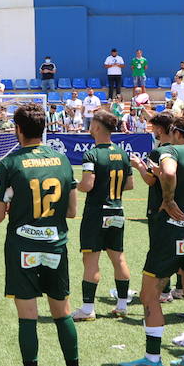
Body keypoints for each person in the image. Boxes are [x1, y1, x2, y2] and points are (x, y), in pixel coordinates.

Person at [0, 102, 81, 366]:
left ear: (17, 129)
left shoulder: (10, 163)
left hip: (22, 246)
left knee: (28, 317)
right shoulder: (62, 159)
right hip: (55, 244)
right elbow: (71, 210)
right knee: (62, 313)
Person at [120, 115, 184, 366]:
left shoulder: (169, 150)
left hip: (171, 235)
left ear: (175, 132)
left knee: (149, 295)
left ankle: (153, 358)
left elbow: (167, 172)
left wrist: (168, 198)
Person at [70, 111, 134, 321]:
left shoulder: (92, 154)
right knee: (118, 259)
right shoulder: (123, 154)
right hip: (117, 211)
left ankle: (88, 309)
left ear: (97, 128)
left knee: (91, 260)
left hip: (97, 213)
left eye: (92, 124)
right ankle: (122, 305)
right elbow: (130, 184)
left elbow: (87, 185)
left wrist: (73, 185)